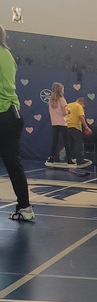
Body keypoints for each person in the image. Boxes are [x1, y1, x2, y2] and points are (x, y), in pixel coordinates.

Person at [0, 25, 35, 222]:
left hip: (1, 114)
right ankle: (25, 207)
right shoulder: (7, 54)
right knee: (14, 164)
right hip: (13, 115)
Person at [45, 82, 71, 166]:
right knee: (66, 141)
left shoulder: (50, 100)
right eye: (63, 90)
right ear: (60, 91)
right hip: (63, 123)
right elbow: (64, 113)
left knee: (54, 141)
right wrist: (68, 111)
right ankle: (69, 159)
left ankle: (51, 157)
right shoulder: (62, 100)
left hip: (55, 123)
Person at [65, 95, 92, 167]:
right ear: (82, 102)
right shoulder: (79, 106)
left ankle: (67, 159)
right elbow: (81, 117)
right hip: (75, 127)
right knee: (79, 144)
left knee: (69, 144)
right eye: (84, 107)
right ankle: (80, 160)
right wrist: (86, 127)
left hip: (66, 126)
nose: (83, 109)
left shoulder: (68, 105)